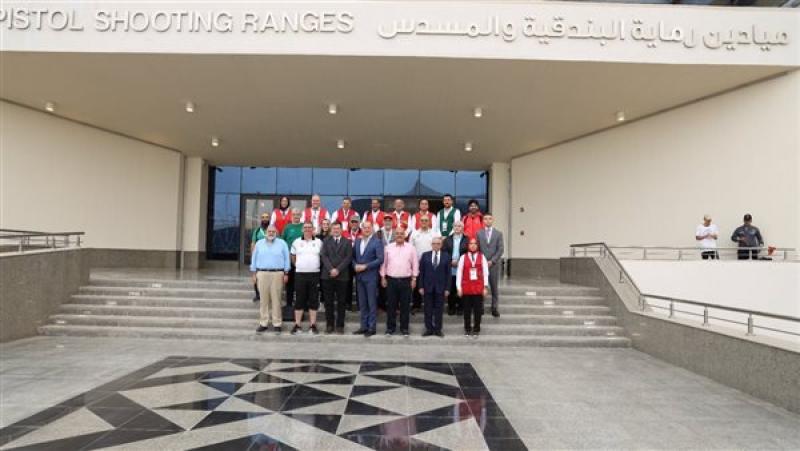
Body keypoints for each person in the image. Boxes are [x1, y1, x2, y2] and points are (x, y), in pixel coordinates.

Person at [250, 225, 290, 334]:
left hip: (277, 274)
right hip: (262, 273)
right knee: (263, 300)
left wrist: (286, 272)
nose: (271, 233)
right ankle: (263, 323)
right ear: (266, 232)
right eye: (269, 231)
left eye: (273, 231)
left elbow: (287, 259)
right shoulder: (259, 244)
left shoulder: (282, 243)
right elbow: (254, 258)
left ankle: (277, 324)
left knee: (277, 300)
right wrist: (253, 273)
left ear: (276, 233)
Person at [381, 226, 419, 337]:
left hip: (406, 281)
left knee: (405, 306)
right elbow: (384, 264)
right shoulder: (388, 248)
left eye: (401, 233)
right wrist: (383, 277)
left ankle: (404, 328)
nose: (399, 235)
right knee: (391, 306)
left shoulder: (411, 248)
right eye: (397, 233)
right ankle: (390, 328)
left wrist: (414, 278)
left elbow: (415, 264)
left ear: (405, 235)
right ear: (394, 235)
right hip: (391, 280)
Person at [290, 223, 323, 335]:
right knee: (299, 300)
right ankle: (297, 325)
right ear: (302, 229)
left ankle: (313, 325)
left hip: (314, 274)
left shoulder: (319, 242)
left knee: (313, 300)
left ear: (313, 229)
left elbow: (322, 256)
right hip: (300, 274)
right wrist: (298, 265)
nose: (307, 229)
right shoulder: (296, 242)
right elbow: (293, 256)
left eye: (310, 227)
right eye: (305, 227)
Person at [352, 221, 384, 337]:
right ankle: (363, 326)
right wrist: (354, 265)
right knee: (362, 303)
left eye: (368, 227)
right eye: (364, 227)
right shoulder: (357, 241)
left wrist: (366, 266)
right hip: (359, 277)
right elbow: (352, 257)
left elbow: (380, 259)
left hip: (371, 276)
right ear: (362, 229)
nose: (366, 229)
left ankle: (371, 327)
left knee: (371, 303)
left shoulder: (377, 242)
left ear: (372, 229)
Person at [320, 223, 353, 334]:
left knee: (341, 302)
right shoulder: (326, 241)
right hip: (327, 275)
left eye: (338, 228)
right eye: (334, 228)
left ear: (341, 230)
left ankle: (340, 325)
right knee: (328, 302)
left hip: (342, 276)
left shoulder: (347, 242)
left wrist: (338, 270)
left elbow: (348, 257)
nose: (336, 230)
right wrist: (331, 269)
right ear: (331, 230)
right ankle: (329, 325)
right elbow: (324, 256)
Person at [457, 238, 490, 339]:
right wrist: (459, 287)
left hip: (478, 288)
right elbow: (459, 273)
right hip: (466, 288)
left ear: (477, 245)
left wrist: (485, 287)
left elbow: (485, 273)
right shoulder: (463, 257)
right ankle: (467, 329)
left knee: (477, 311)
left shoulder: (482, 257)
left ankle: (476, 329)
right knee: (466, 311)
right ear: (468, 245)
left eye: (475, 243)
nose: (473, 245)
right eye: (471, 243)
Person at [418, 237, 450, 337]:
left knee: (439, 309)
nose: (436, 245)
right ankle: (429, 329)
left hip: (441, 287)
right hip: (427, 287)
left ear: (441, 245)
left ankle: (438, 329)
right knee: (427, 309)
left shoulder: (446, 256)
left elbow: (448, 274)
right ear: (431, 245)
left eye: (438, 243)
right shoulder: (425, 255)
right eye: (434, 243)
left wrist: (447, 288)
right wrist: (420, 286)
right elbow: (421, 272)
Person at [409, 215, 441, 312]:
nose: (424, 222)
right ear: (419, 222)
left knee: (431, 283)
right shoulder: (414, 233)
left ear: (429, 222)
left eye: (426, 220)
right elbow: (410, 248)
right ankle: (416, 305)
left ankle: (432, 305)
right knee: (418, 284)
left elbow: (438, 247)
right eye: (422, 220)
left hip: (431, 263)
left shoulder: (434, 234)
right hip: (417, 263)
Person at [477, 213, 504, 317]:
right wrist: (483, 261)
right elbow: (477, 248)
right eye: (485, 219)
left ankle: (494, 307)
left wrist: (492, 261)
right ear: (483, 221)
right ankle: (480, 307)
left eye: (489, 219)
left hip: (494, 265)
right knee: (481, 286)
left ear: (492, 220)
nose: (487, 221)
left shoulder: (498, 234)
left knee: (494, 287)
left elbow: (500, 249)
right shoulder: (479, 233)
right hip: (482, 264)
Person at [443, 221, 468, 316]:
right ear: (453, 228)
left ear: (463, 228)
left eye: (459, 226)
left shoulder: (467, 239)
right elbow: (444, 252)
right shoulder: (447, 240)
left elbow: (467, 252)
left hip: (462, 268)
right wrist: (450, 261)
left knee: (461, 288)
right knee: (451, 288)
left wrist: (459, 261)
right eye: (456, 226)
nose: (457, 228)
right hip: (450, 268)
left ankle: (460, 307)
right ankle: (451, 307)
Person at [281, 209, 304, 310]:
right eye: (294, 214)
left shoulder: (304, 226)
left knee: (300, 283)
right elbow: (282, 242)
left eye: (298, 214)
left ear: (301, 215)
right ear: (291, 216)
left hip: (302, 260)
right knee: (289, 283)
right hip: (289, 260)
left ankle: (300, 304)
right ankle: (289, 304)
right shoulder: (287, 227)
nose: (296, 216)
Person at [250, 212, 271, 302]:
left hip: (270, 258)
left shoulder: (273, 229)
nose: (265, 219)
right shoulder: (257, 230)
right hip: (259, 257)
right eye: (263, 217)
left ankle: (268, 294)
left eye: (266, 217)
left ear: (269, 219)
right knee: (257, 276)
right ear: (261, 219)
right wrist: (253, 257)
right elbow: (253, 243)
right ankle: (257, 294)